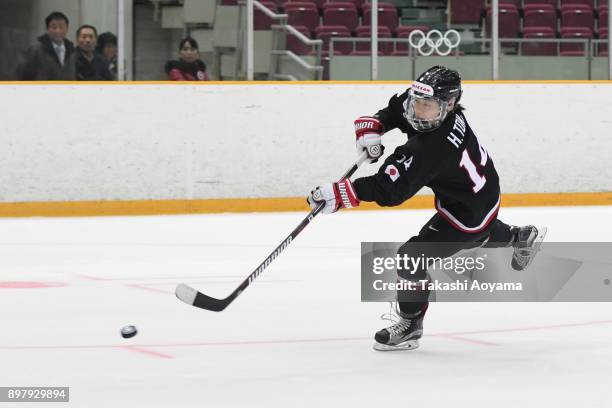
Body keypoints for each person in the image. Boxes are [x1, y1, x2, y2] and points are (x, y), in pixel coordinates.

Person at [307, 66, 545, 352]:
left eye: (427, 106)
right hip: (478, 195)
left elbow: (391, 190)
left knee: (410, 258)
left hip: (466, 211)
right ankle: (520, 237)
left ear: (450, 104)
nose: (418, 110)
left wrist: (344, 193)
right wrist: (377, 125)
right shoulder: (440, 111)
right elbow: (399, 108)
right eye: (418, 102)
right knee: (477, 232)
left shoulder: (433, 147)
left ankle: (410, 324)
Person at [16, 11, 76, 80]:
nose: (58, 31)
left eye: (61, 27)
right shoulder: (35, 50)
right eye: (54, 27)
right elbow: (22, 74)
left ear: (67, 29)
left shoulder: (72, 51)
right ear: (47, 29)